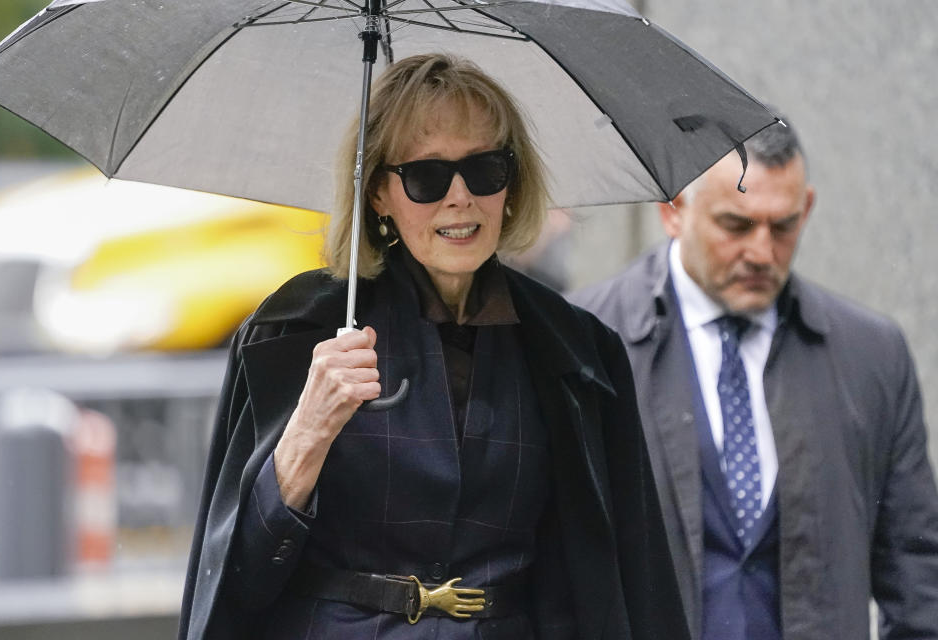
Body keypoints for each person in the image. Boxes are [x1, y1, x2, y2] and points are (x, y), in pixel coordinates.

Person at [178, 53, 688, 640]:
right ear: (377, 193)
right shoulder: (295, 331)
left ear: (512, 182)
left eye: (485, 169)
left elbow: (625, 576)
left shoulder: (576, 351)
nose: (460, 198)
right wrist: (308, 432)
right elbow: (233, 582)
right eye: (426, 176)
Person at [569, 119, 938, 640]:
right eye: (736, 225)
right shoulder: (583, 342)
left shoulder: (871, 355)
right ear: (673, 210)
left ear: (806, 207)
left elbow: (919, 577)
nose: (762, 253)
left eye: (783, 225)